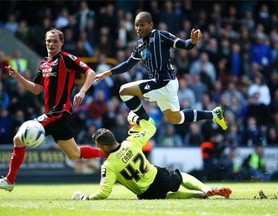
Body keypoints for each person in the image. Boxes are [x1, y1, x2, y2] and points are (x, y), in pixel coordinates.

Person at [0, 28, 107, 192]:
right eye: (48, 41)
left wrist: (82, 91)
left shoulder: (66, 58)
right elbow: (37, 89)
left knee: (18, 139)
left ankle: (9, 180)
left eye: (55, 41)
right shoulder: (43, 62)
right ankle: (110, 153)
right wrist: (18, 77)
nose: (51, 44)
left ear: (62, 42)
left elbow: (91, 73)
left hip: (59, 112)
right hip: (54, 115)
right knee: (74, 154)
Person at [95, 11, 227, 134]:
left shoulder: (161, 35)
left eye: (142, 25)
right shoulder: (140, 44)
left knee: (124, 91)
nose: (138, 28)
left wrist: (192, 41)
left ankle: (145, 122)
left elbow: (185, 45)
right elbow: (128, 64)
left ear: (151, 25)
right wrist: (108, 72)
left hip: (164, 82)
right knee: (175, 118)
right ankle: (214, 114)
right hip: (165, 84)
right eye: (136, 25)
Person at [72, 112, 232, 200]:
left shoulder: (108, 165)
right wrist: (134, 118)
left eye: (99, 146)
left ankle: (200, 195)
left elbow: (104, 193)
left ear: (105, 146)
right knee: (180, 177)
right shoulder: (131, 142)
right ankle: (205, 189)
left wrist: (85, 198)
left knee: (169, 196)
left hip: (146, 193)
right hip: (158, 176)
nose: (99, 149)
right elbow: (151, 127)